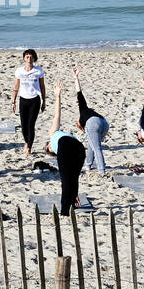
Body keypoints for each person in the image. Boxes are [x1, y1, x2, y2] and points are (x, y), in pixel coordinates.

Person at [43, 81, 87, 215]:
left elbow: (57, 115)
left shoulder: (53, 137)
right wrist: (57, 96)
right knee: (73, 178)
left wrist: (58, 96)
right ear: (50, 149)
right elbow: (57, 116)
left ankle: (64, 212)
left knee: (67, 180)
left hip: (71, 147)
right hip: (79, 147)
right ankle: (73, 201)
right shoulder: (54, 138)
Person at [71, 65, 110, 174]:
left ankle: (102, 171)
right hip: (104, 123)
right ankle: (88, 165)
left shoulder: (83, 110)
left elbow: (79, 92)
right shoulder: (85, 110)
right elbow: (79, 94)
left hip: (93, 123)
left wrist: (76, 78)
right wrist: (76, 77)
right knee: (92, 145)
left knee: (96, 148)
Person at [11, 49, 46, 156]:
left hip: (35, 100)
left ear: (34, 58)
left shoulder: (38, 71)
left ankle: (29, 147)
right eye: (27, 57)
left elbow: (42, 86)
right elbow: (16, 87)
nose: (29, 59)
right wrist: (13, 101)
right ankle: (26, 142)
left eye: (31, 57)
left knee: (31, 125)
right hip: (23, 100)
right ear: (24, 59)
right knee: (23, 125)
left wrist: (44, 101)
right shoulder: (19, 71)